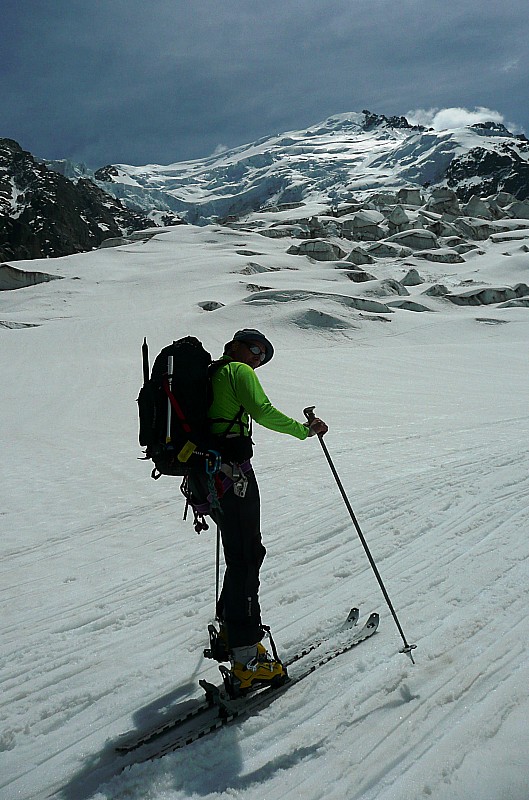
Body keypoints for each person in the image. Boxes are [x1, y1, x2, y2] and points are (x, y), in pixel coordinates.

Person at [188, 328, 328, 692]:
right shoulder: (238, 372)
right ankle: (248, 660)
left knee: (239, 554)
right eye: (254, 349)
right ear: (234, 346)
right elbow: (262, 412)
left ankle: (231, 633)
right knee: (247, 557)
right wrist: (304, 430)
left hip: (206, 477)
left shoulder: (211, 374)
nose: (256, 358)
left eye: (262, 356)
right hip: (232, 478)